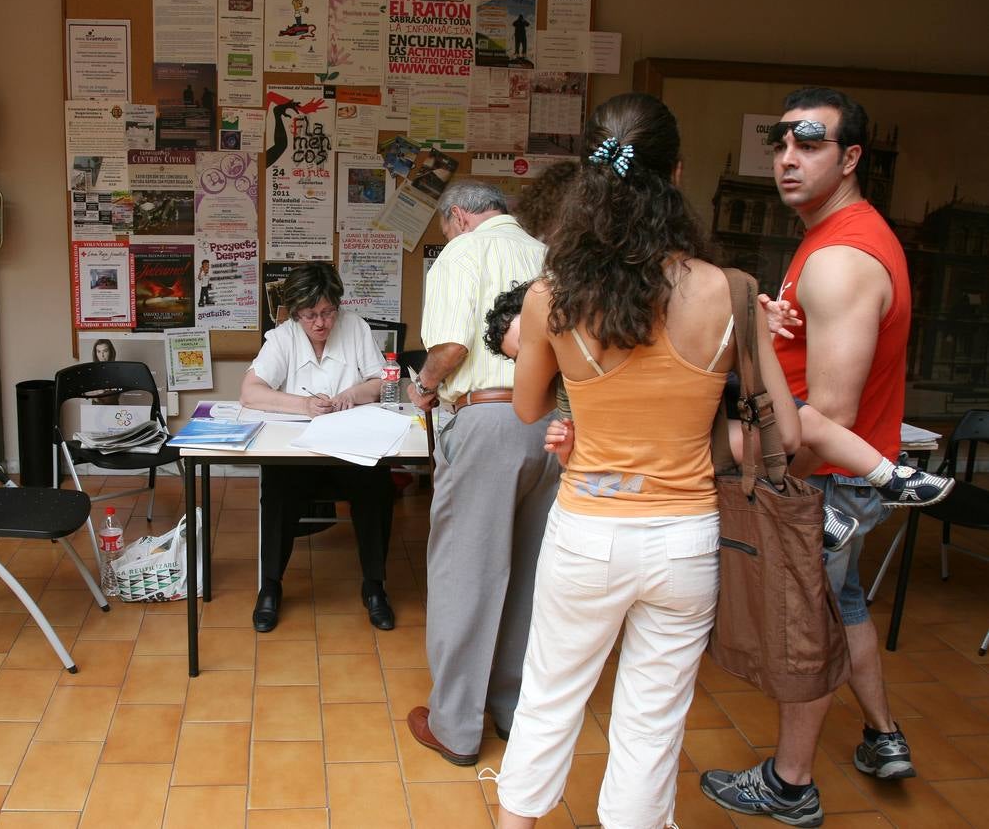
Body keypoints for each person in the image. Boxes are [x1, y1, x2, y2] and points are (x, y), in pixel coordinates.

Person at [491, 92, 801, 828]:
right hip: (685, 540)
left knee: (550, 694)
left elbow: (529, 409)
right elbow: (784, 427)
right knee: (652, 722)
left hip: (589, 529)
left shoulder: (551, 294)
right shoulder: (732, 292)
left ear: (589, 183)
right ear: (678, 173)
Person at [700, 87, 938, 825]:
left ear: (852, 157)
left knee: (803, 631)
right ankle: (882, 736)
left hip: (822, 482)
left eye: (810, 144)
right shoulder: (836, 237)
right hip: (837, 480)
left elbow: (828, 415)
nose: (788, 159)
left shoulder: (840, 257)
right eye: (780, 144)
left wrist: (745, 464)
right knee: (845, 606)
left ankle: (791, 785)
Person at [488, 283, 952, 551]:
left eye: (535, 347)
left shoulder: (597, 321)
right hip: (677, 451)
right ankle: (814, 511)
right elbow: (581, 455)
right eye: (525, 357)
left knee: (801, 427)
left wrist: (752, 332)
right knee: (760, 446)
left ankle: (888, 476)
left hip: (703, 404)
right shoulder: (562, 389)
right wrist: (569, 446)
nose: (540, 362)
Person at [404, 180, 562, 767]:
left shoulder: (461, 253)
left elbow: (450, 348)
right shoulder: (548, 253)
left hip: (487, 417)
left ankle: (455, 727)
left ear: (459, 217)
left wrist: (422, 387)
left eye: (445, 227)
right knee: (527, 575)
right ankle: (511, 707)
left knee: (466, 574)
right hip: (549, 425)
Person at [240, 262, 397, 632]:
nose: (321, 323)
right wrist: (304, 405)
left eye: (327, 312)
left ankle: (375, 586)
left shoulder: (355, 327)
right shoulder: (282, 337)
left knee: (377, 486)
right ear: (296, 313)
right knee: (277, 488)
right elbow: (250, 392)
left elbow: (380, 381)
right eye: (310, 315)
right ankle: (271, 587)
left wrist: (352, 394)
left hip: (353, 451)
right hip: (298, 454)